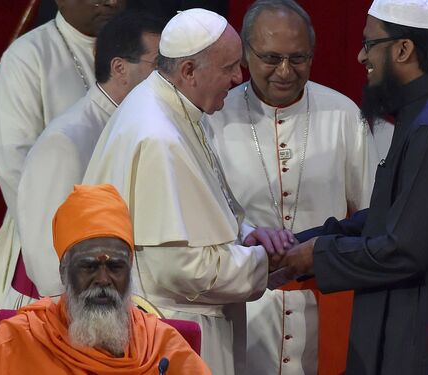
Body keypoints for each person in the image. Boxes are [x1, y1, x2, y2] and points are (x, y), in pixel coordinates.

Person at [279, 0, 428, 374]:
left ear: (403, 49)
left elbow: (404, 249)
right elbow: (394, 213)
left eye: (369, 44)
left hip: (424, 347)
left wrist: (316, 255)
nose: (359, 56)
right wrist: (305, 240)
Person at [83, 8, 289, 374]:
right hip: (171, 334)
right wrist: (264, 262)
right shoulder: (158, 136)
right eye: (228, 68)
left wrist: (248, 236)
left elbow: (208, 210)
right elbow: (177, 267)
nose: (238, 78)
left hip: (180, 326)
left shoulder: (177, 107)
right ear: (189, 71)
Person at [203, 1, 391, 374]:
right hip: (244, 308)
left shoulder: (342, 114)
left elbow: (373, 213)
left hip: (324, 308)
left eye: (298, 58)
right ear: (245, 53)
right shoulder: (215, 116)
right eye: (271, 58)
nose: (285, 71)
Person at [0, 0, 125, 347]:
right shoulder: (28, 58)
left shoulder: (139, 48)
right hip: (48, 242)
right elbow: (14, 165)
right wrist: (72, 249)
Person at [0, 184, 211, 374]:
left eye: (115, 266)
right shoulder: (17, 342)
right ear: (63, 272)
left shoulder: (163, 348)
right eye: (88, 266)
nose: (103, 279)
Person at [13, 11, 165, 308]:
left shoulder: (135, 126)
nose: (169, 77)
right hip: (65, 317)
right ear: (120, 68)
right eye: (160, 65)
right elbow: (47, 260)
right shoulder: (66, 141)